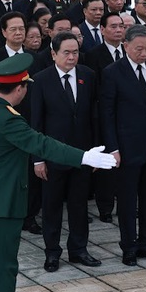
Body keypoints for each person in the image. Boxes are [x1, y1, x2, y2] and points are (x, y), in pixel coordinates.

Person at [0, 53, 116, 292]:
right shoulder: (7, 120)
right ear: (20, 87)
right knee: (2, 267)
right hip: (1, 204)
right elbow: (42, 143)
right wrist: (84, 157)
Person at [100, 25, 146, 266]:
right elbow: (107, 113)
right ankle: (128, 246)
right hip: (126, 147)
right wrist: (113, 148)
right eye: (139, 49)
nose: (144, 54)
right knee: (127, 200)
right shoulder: (113, 72)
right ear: (126, 46)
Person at [31, 32, 102, 272]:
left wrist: (95, 154)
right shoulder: (40, 80)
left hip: (82, 154)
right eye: (66, 53)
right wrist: (38, 159)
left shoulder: (88, 76)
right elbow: (36, 122)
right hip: (52, 155)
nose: (72, 57)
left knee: (79, 205)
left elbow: (94, 116)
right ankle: (52, 252)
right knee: (51, 207)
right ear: (53, 54)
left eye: (75, 52)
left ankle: (79, 249)